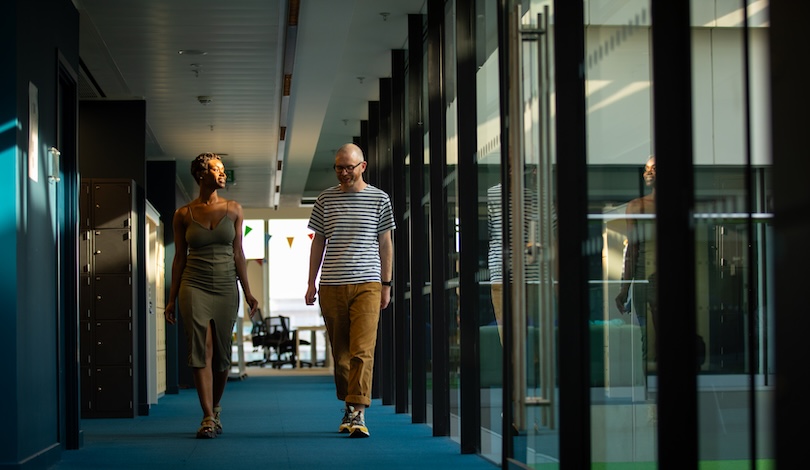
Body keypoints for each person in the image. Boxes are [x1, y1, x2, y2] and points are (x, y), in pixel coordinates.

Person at [164, 152, 259, 439]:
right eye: (217, 170)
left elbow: (238, 253)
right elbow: (179, 258)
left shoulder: (234, 209)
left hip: (226, 286)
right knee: (200, 350)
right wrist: (170, 299)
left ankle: (216, 407)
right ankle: (206, 416)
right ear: (201, 175)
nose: (223, 174)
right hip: (193, 284)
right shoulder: (183, 214)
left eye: (223, 170)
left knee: (221, 354)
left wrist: (248, 291)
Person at [305, 143, 395, 438]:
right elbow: (318, 242)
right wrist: (310, 282)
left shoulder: (380, 199)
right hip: (332, 284)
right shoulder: (325, 200)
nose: (343, 173)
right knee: (341, 354)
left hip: (368, 283)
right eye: (339, 167)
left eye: (349, 167)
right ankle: (349, 401)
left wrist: (386, 284)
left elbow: (385, 244)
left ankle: (358, 411)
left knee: (362, 351)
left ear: (363, 166)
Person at [615, 155, 658, 369]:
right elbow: (632, 249)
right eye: (646, 168)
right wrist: (625, 289)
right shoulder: (637, 206)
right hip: (643, 276)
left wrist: (625, 289)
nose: (648, 172)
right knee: (647, 338)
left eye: (654, 168)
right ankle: (648, 393)